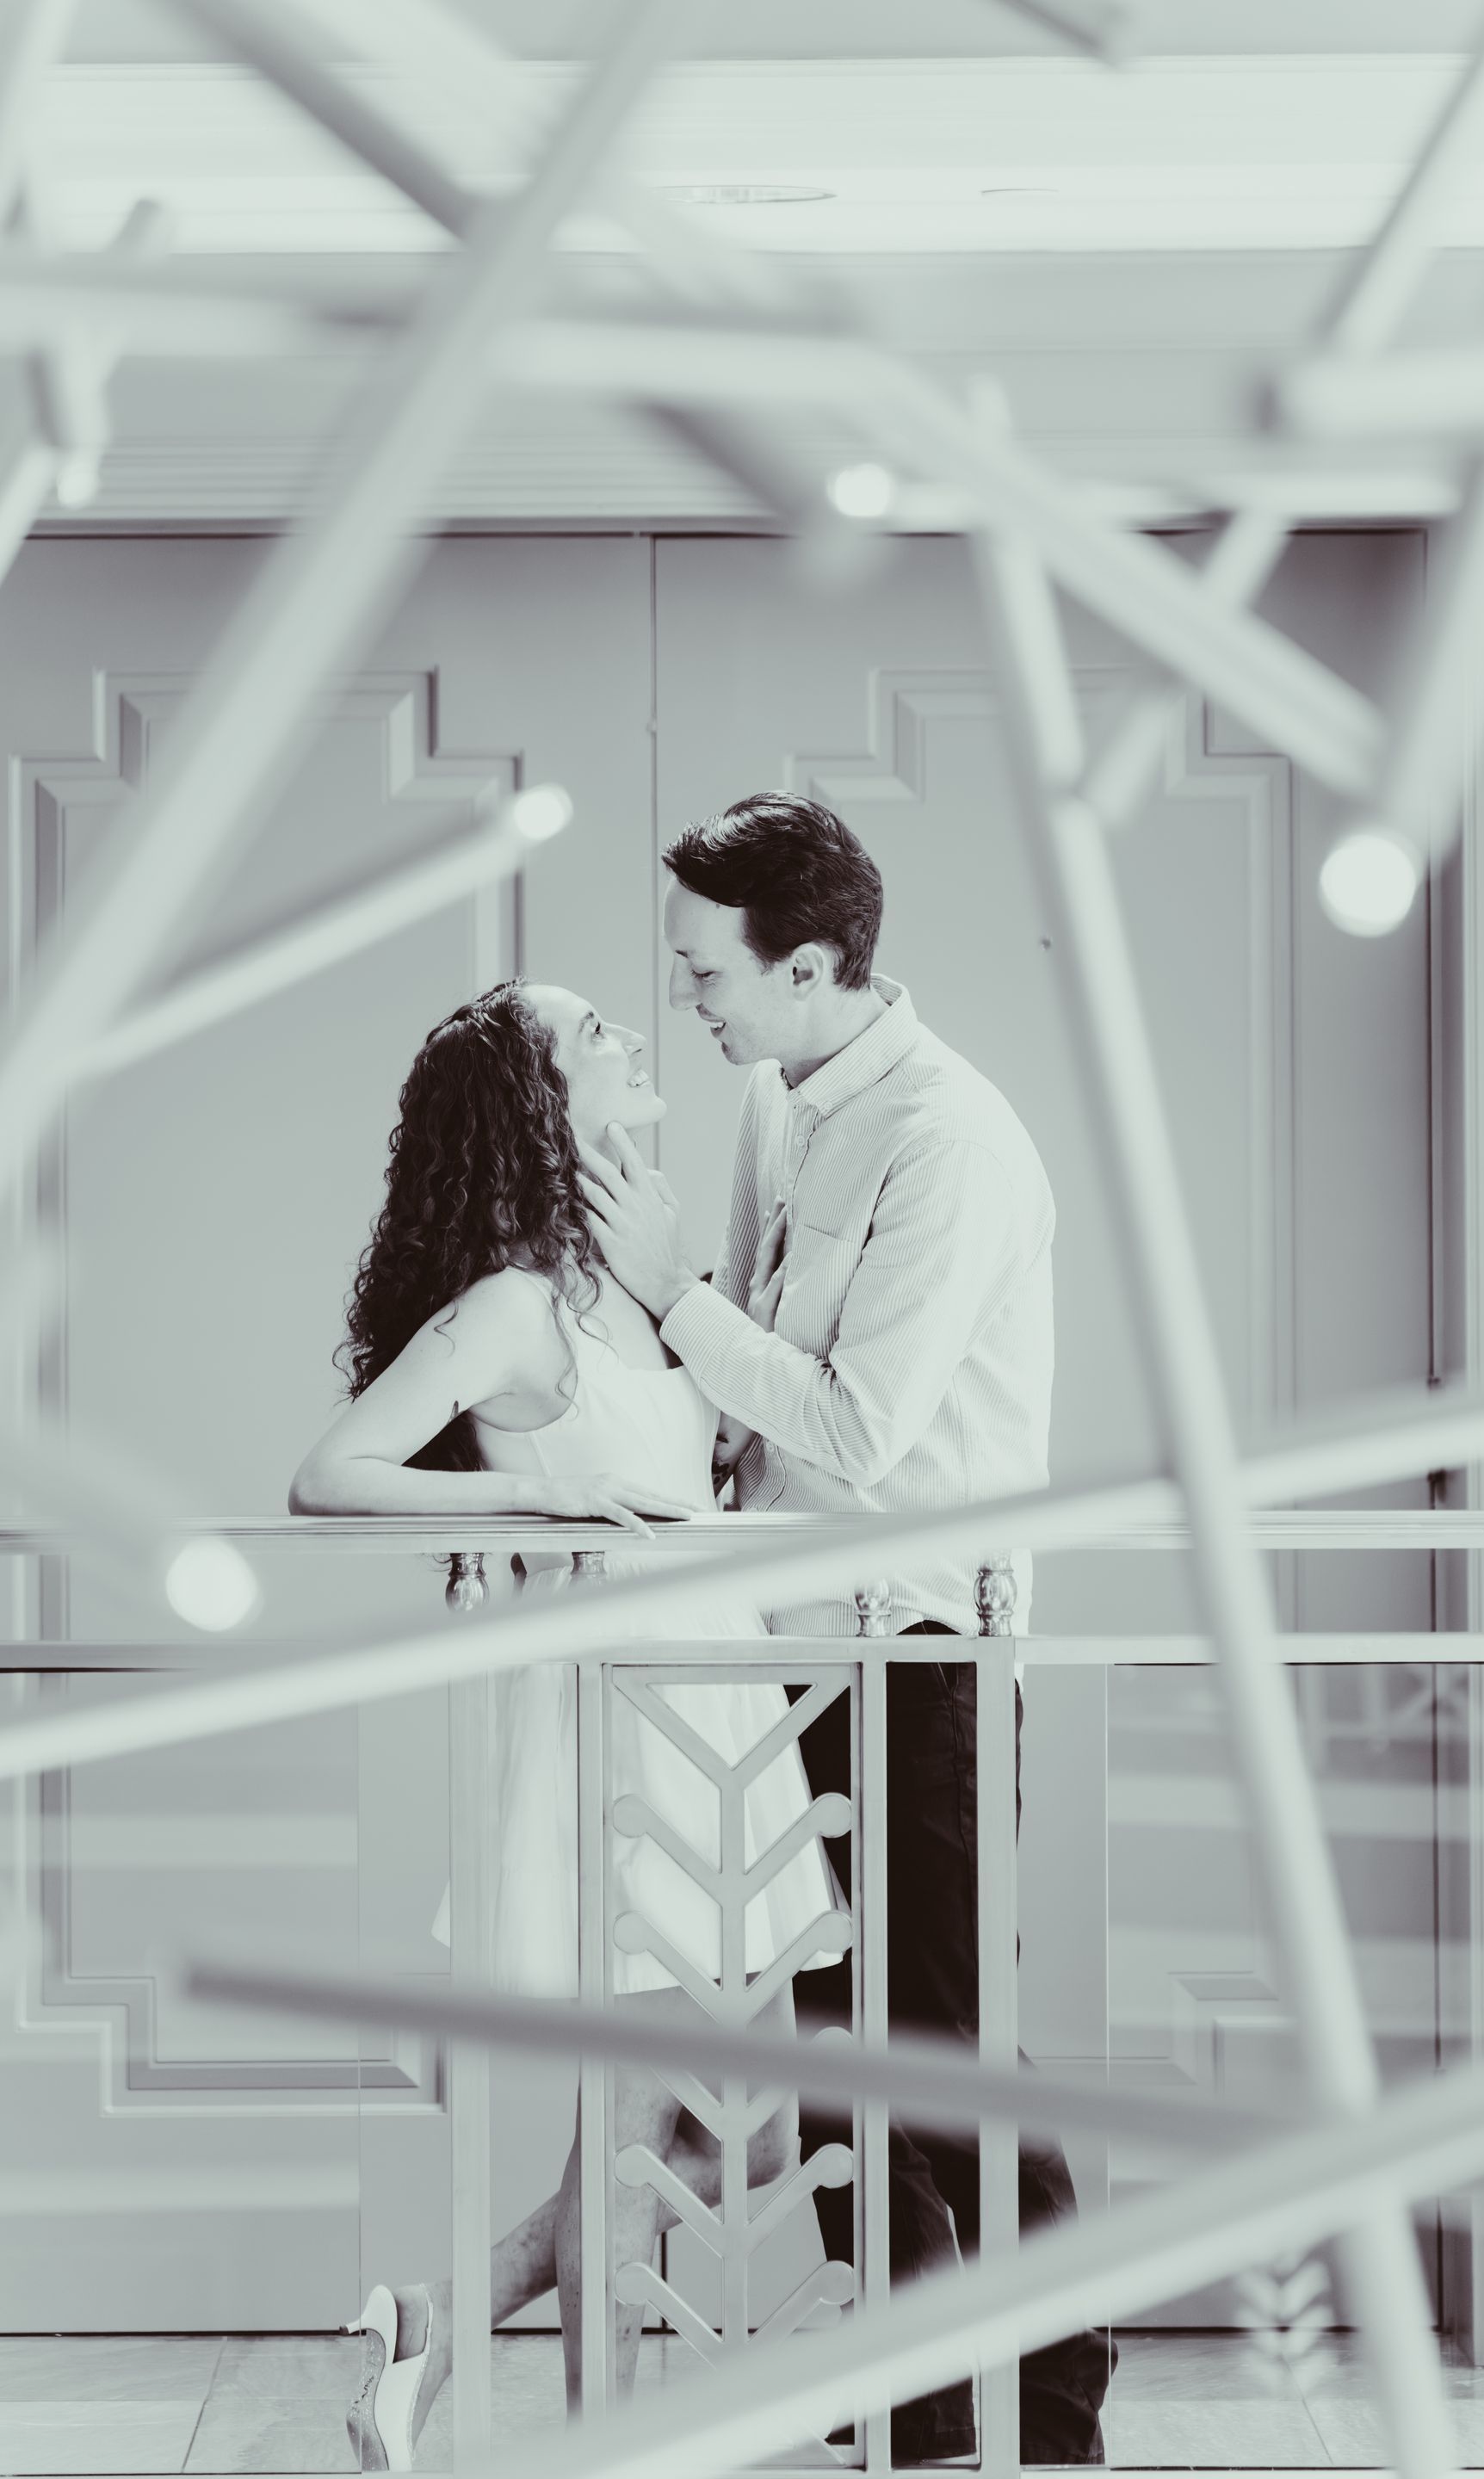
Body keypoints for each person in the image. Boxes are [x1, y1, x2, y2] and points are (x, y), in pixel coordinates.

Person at [579, 791, 1116, 2467]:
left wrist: (670, 1295)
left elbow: (856, 1427)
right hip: (790, 1644)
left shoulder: (953, 1139)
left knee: (942, 2048)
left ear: (809, 964)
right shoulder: (773, 1098)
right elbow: (742, 1390)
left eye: (707, 973)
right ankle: (922, 2416)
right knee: (837, 2061)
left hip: (927, 1654)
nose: (691, 1003)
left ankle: (1051, 2409)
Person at [289, 978, 835, 2468]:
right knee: (649, 2144)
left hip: (722, 1712)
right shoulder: (513, 1307)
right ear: (537, 1102)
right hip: (624, 1741)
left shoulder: (632, 1274)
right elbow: (332, 1472)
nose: (633, 1036)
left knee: (754, 2137)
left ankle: (438, 2315)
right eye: (592, 1033)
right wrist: (526, 1493)